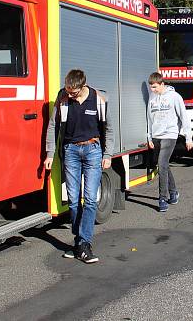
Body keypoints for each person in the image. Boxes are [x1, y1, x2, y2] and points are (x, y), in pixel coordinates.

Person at [44, 69, 113, 264]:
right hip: (71, 152)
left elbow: (109, 129)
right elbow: (53, 126)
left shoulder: (99, 99)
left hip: (93, 150)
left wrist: (107, 154)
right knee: (73, 201)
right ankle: (79, 243)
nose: (69, 95)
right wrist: (50, 153)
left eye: (73, 92)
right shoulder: (63, 98)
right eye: (67, 90)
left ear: (83, 86)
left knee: (90, 200)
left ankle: (84, 243)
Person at [147, 72, 193, 213]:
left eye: (154, 87)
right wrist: (149, 137)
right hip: (156, 136)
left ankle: (162, 198)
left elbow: (183, 116)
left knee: (162, 164)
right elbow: (149, 118)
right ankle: (173, 192)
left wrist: (188, 137)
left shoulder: (174, 97)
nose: (152, 90)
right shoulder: (152, 99)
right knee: (163, 165)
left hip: (170, 134)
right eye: (150, 87)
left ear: (162, 84)